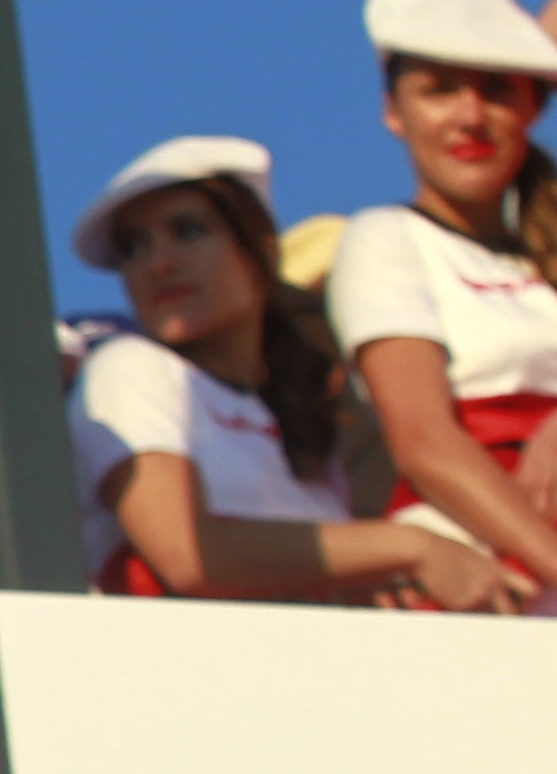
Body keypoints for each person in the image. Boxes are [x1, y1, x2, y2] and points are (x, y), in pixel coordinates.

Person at [62, 135, 522, 613]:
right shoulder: (127, 367)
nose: (159, 263)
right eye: (133, 248)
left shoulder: (304, 432)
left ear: (260, 251)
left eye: (188, 231)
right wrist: (411, 546)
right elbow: (187, 556)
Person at [326, 0, 557, 615]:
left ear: (532, 109)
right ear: (393, 113)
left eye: (498, 90)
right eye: (440, 90)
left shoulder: (545, 252)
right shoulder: (386, 239)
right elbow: (425, 442)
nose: (471, 117)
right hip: (484, 574)